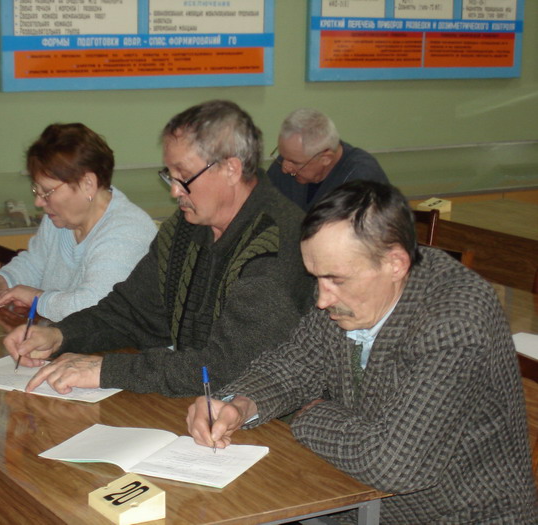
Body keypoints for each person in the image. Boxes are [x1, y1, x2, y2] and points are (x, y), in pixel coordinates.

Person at [187, 181, 538, 523]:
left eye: (335, 280)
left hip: (458, 515)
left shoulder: (455, 322)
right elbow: (296, 364)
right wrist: (238, 405)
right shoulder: (349, 289)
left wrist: (309, 415)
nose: (322, 299)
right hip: (354, 496)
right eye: (316, 278)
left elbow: (396, 465)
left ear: (395, 263)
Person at [3, 100, 314, 397]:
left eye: (184, 176)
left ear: (230, 169)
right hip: (198, 403)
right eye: (170, 175)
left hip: (265, 424)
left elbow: (231, 365)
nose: (175, 191)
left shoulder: (276, 241)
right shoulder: (187, 224)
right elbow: (132, 311)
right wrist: (61, 335)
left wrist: (108, 370)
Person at [0, 123, 156, 322]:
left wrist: (36, 298)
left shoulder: (127, 231)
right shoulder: (61, 219)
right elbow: (35, 263)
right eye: (37, 190)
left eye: (47, 192)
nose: (38, 202)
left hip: (123, 351)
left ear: (88, 184)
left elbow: (95, 306)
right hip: (65, 339)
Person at [267, 108, 388, 212]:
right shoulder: (290, 158)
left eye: (295, 162)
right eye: (282, 156)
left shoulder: (361, 179)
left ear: (326, 158)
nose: (284, 167)